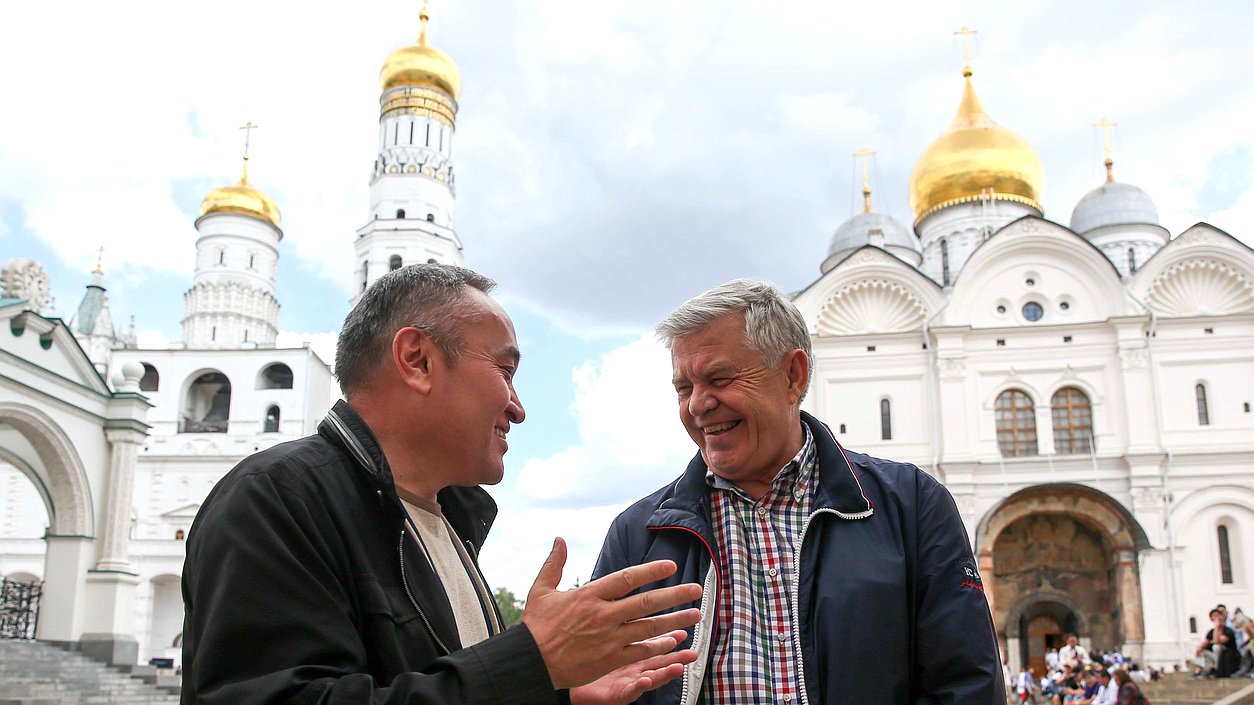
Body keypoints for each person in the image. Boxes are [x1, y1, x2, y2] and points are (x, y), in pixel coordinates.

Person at [181, 264, 704, 705]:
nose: (518, 409)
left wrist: (554, 694)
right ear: (418, 361)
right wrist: (531, 660)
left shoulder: (443, 522)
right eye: (505, 369)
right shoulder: (276, 500)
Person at [590, 279, 1004, 704]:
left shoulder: (912, 505)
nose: (697, 404)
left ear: (793, 375)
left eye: (719, 378)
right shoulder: (639, 536)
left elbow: (966, 684)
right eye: (683, 388)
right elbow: (598, 686)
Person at [1193, 607, 1239, 677]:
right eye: (1214, 616)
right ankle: (1205, 669)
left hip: (1229, 659)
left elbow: (1217, 641)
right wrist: (1199, 649)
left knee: (1216, 647)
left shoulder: (1228, 631)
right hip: (1216, 658)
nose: (1216, 618)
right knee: (1202, 650)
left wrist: (1217, 627)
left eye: (1218, 616)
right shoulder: (1211, 632)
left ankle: (1218, 669)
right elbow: (1203, 645)